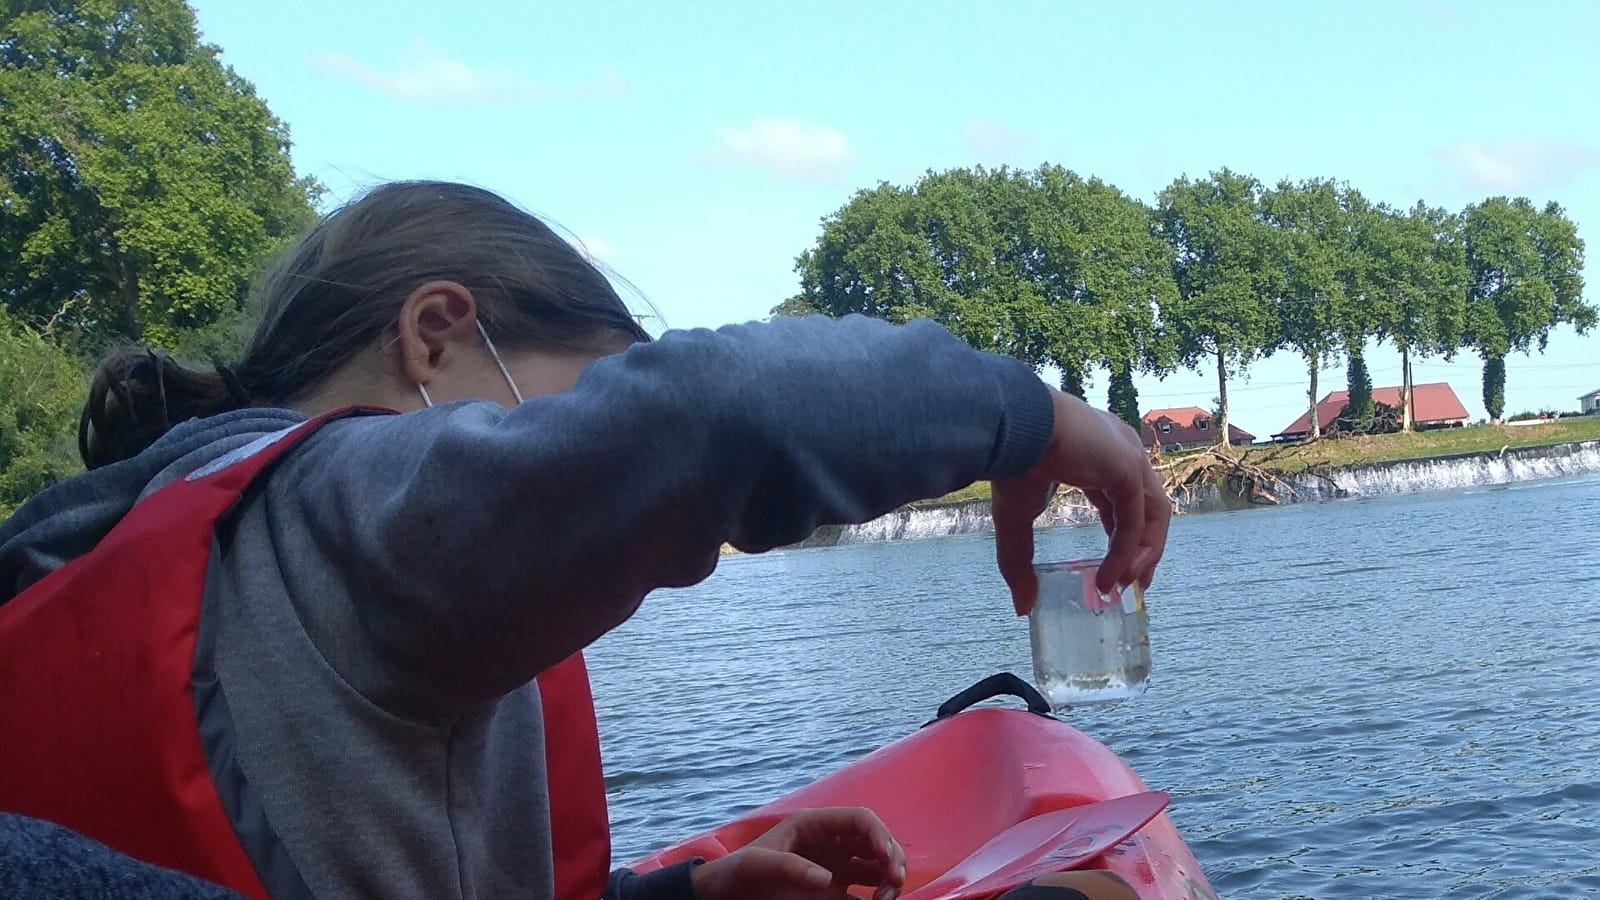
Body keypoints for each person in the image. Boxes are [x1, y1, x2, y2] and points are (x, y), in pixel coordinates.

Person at [0, 181, 1168, 900]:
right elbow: (731, 413)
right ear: (438, 338)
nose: (689, 554)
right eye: (585, 404)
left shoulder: (94, 545)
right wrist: (1038, 422)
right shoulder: (361, 519)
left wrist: (679, 896)